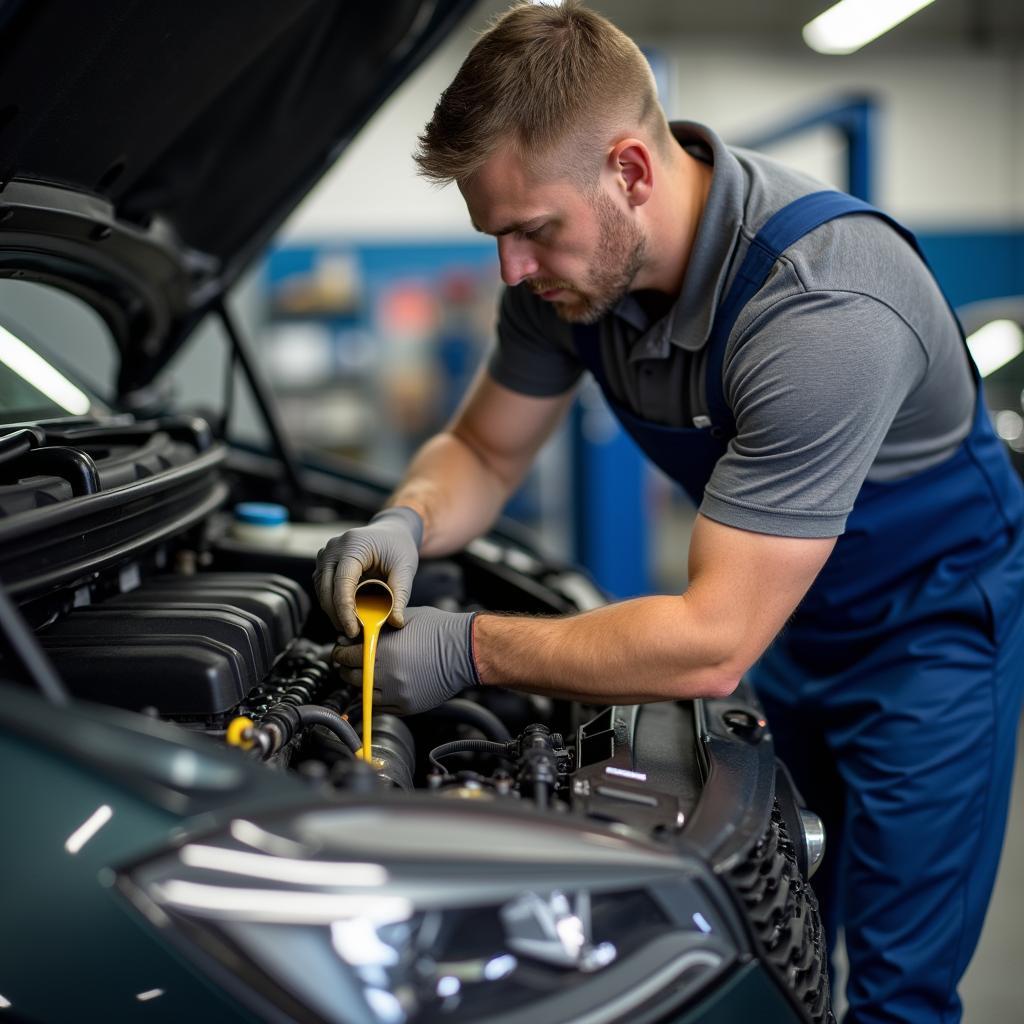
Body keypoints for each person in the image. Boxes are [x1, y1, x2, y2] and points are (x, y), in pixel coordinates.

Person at [313, 3, 1024, 1021]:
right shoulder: (568, 280)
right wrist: (408, 522)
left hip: (927, 634)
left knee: (894, 988)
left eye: (530, 231)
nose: (510, 270)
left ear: (630, 172)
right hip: (790, 621)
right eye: (496, 236)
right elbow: (481, 448)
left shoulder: (821, 306)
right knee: (771, 933)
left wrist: (470, 650)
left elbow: (708, 641)